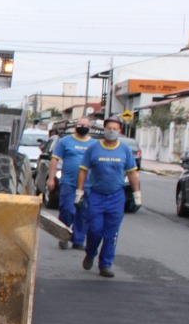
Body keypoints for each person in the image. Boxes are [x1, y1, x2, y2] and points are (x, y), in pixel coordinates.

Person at [75, 117, 141, 278]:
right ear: (104, 130)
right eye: (109, 128)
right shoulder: (93, 149)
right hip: (96, 195)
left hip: (116, 196)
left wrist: (137, 194)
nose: (111, 131)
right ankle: (90, 252)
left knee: (111, 234)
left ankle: (105, 264)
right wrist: (79, 191)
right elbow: (83, 170)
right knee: (95, 230)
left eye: (115, 129)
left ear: (120, 131)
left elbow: (132, 172)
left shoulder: (124, 150)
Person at [47, 117, 95, 250]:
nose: (82, 126)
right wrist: (51, 178)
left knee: (83, 212)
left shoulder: (94, 144)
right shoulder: (65, 141)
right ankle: (63, 236)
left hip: (87, 184)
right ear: (75, 126)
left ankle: (78, 240)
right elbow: (55, 159)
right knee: (67, 210)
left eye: (85, 125)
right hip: (68, 182)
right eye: (80, 124)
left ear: (90, 128)